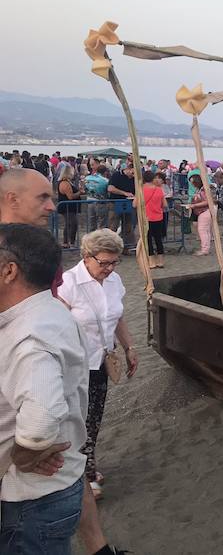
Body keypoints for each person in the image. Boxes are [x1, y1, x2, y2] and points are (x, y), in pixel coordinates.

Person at [0, 178, 122, 555]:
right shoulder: (47, 296)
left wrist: (27, 449)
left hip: (29, 487)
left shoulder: (32, 328)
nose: (52, 206)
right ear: (10, 198)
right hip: (39, 479)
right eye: (43, 197)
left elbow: (42, 421)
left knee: (76, 430)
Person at [0, 224, 88, 553]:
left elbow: (41, 421)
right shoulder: (46, 312)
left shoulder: (31, 335)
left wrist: (23, 455)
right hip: (46, 493)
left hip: (31, 498)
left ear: (10, 271)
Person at [57, 229, 138, 501]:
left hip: (101, 361)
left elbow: (118, 317)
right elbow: (56, 326)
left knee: (93, 419)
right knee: (78, 421)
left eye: (114, 262)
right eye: (104, 262)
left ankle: (86, 467)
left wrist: (129, 347)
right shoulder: (69, 283)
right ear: (86, 256)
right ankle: (85, 473)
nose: (109, 268)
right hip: (73, 365)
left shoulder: (114, 281)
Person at [136, 170, 166, 268]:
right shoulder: (159, 190)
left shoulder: (141, 190)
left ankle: (151, 262)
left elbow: (135, 204)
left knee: (148, 240)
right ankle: (161, 261)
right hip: (158, 217)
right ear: (153, 178)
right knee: (158, 239)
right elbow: (164, 204)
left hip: (146, 218)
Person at [106, 164, 136, 252]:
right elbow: (110, 188)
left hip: (129, 203)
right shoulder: (116, 175)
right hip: (116, 202)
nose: (133, 175)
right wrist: (124, 193)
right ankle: (110, 247)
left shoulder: (135, 178)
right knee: (113, 226)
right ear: (128, 169)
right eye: (133, 172)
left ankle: (126, 247)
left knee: (128, 226)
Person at [57, 163, 83, 248]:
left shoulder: (68, 182)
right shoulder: (65, 183)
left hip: (70, 207)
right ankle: (69, 242)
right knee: (72, 224)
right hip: (67, 207)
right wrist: (80, 192)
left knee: (69, 224)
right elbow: (70, 196)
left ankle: (67, 242)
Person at [189, 174, 212, 256]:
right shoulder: (200, 189)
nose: (192, 184)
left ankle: (204, 249)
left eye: (193, 182)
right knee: (206, 230)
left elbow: (207, 201)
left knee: (202, 230)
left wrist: (195, 205)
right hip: (205, 210)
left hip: (205, 211)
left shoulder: (203, 190)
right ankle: (206, 247)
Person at [84, 163, 110, 232]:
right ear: (105, 172)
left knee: (91, 222)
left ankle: (91, 239)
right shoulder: (106, 181)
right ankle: (100, 239)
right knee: (102, 223)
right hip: (101, 202)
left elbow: (84, 189)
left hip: (89, 201)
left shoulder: (87, 178)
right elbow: (108, 192)